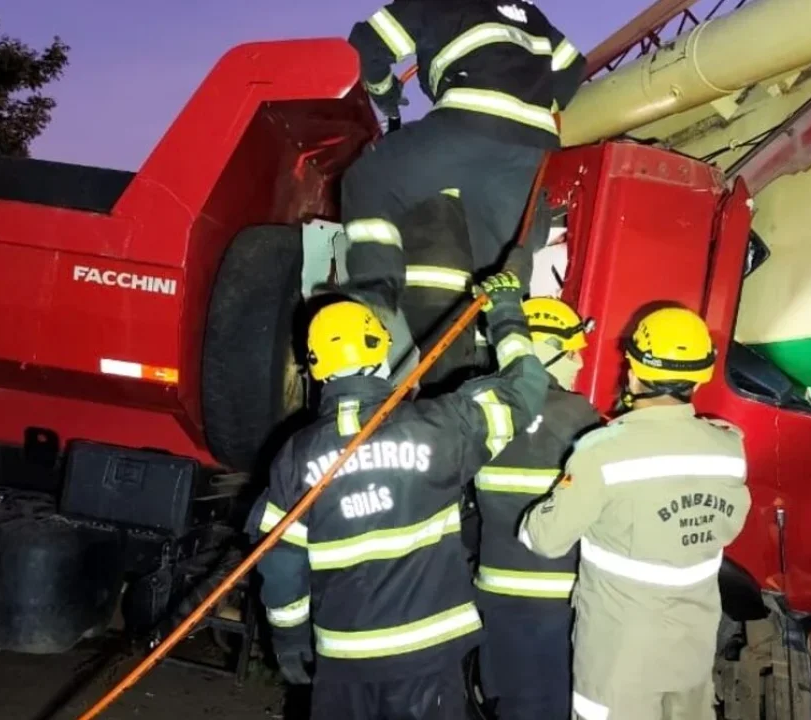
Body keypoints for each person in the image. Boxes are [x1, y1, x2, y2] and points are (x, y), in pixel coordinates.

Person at [250, 269, 549, 720]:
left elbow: (280, 561)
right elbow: (525, 387)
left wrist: (289, 638)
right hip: (427, 657)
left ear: (314, 366)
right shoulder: (441, 428)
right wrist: (505, 309)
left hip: (344, 659)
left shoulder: (296, 456)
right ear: (382, 348)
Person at [518, 306, 752, 720]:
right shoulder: (729, 448)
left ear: (633, 373)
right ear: (701, 376)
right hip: (694, 643)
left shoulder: (603, 451)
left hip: (620, 654)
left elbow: (547, 539)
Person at [340, 0, 587, 378]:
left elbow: (367, 44)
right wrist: (533, 102)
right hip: (530, 147)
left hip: (469, 118)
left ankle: (375, 296)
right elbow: (573, 69)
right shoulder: (530, 14)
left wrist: (384, 91)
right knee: (500, 272)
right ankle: (497, 366)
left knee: (369, 181)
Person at [473, 296, 601, 720]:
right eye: (572, 351)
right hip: (556, 597)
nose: (579, 363)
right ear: (543, 351)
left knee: (508, 702)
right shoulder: (579, 415)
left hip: (495, 592)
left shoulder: (479, 409)